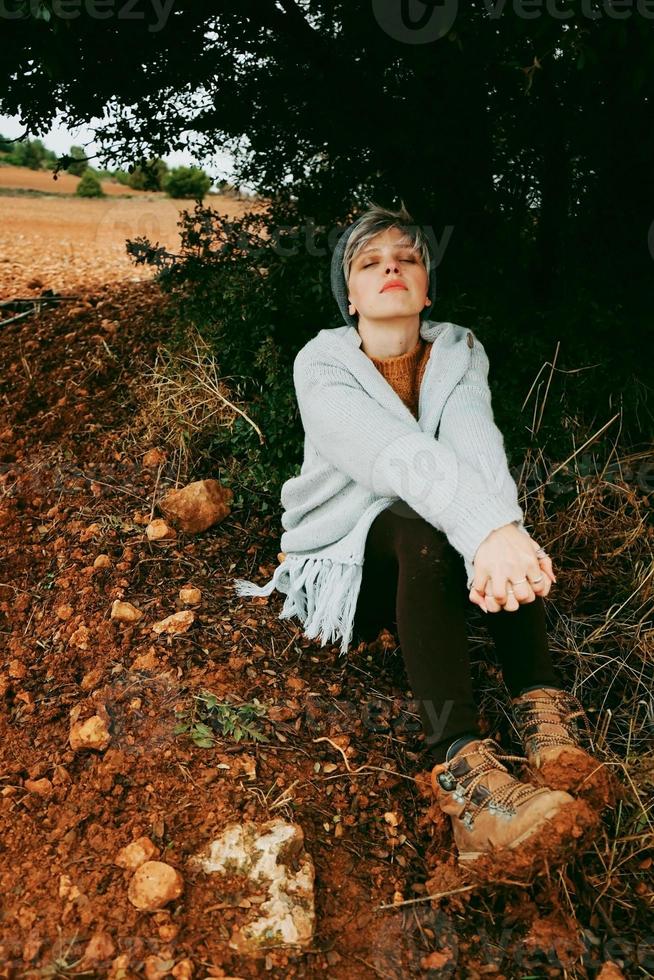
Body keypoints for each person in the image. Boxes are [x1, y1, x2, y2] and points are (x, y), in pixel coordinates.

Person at [233, 201, 611, 865]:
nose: (391, 269)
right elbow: (395, 457)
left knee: (491, 513)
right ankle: (464, 778)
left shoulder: (458, 350)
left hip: (437, 547)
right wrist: (486, 529)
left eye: (407, 258)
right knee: (429, 524)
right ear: (347, 295)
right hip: (350, 562)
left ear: (426, 286)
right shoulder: (320, 365)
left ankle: (543, 718)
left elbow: (476, 447)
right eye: (370, 262)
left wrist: (501, 535)